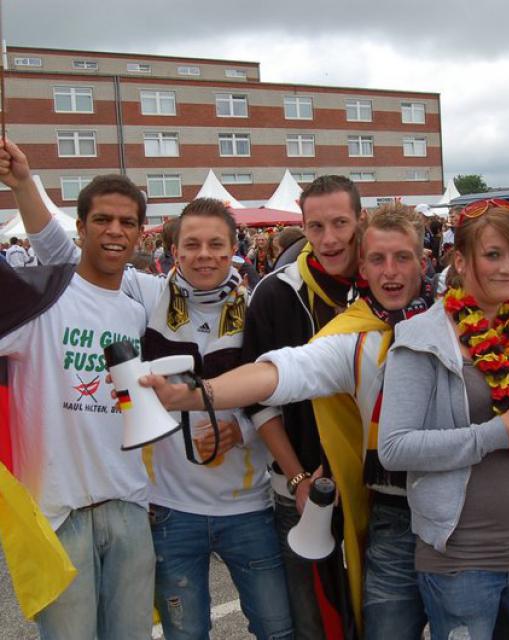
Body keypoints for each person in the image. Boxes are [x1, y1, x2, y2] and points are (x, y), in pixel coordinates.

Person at [133, 203, 432, 640]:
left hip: (460, 510)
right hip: (378, 510)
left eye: (402, 257)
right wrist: (199, 396)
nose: (390, 270)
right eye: (378, 259)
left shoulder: (455, 321)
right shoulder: (348, 335)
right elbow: (280, 373)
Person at [23, 194, 293, 639]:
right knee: (185, 634)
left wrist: (240, 430)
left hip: (247, 507)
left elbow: (278, 391)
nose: (204, 255)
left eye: (216, 245)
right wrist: (23, 185)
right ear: (174, 249)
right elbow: (66, 257)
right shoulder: (147, 294)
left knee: (277, 629)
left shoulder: (257, 306)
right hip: (170, 509)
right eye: (192, 245)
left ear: (233, 248)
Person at [377, 203, 509, 639]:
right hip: (461, 560)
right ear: (460, 261)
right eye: (493, 255)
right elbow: (394, 448)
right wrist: (496, 434)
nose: (508, 268)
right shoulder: (421, 339)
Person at [0, 140, 155, 639]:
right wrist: (22, 184)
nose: (115, 231)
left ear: (140, 233)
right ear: (81, 228)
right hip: (57, 512)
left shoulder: (135, 312)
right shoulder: (40, 299)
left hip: (128, 503)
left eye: (127, 222)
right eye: (102, 220)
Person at [238, 174, 367, 639]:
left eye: (340, 223)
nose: (329, 239)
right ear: (303, 226)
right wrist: (296, 479)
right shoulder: (277, 292)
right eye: (316, 226)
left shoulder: (385, 283)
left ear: (360, 220)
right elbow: (258, 401)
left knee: (383, 616)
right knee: (314, 622)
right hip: (302, 487)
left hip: (376, 484)